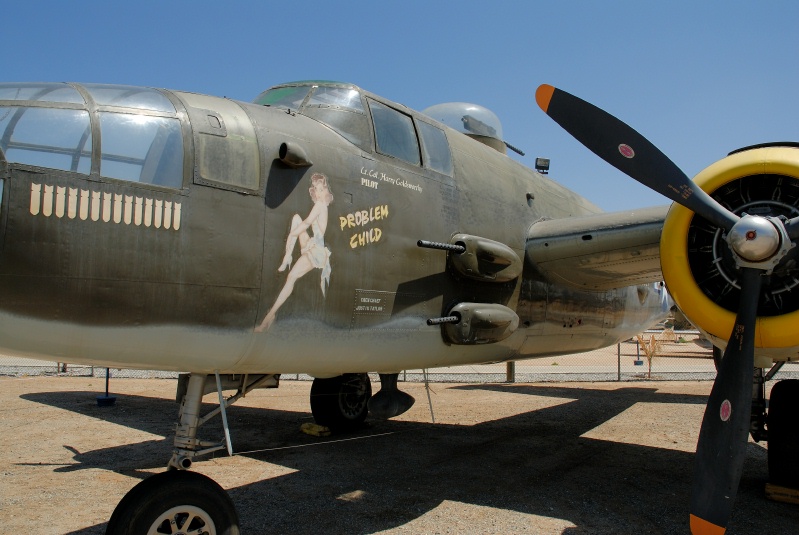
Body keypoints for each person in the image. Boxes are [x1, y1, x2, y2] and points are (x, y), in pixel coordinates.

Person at [256, 173, 333, 332]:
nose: (318, 192)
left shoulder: (320, 205)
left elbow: (306, 223)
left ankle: (269, 317)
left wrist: (292, 234)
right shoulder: (320, 205)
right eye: (316, 189)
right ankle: (287, 257)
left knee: (291, 277)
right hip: (313, 246)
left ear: (324, 190)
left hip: (316, 252)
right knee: (296, 218)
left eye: (320, 189)